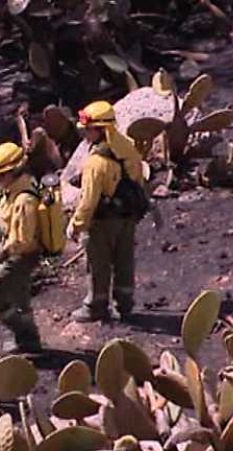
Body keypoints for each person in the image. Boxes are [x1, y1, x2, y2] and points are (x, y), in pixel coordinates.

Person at [66, 100, 144, 323]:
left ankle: (96, 306)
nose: (85, 133)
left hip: (102, 222)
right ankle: (125, 304)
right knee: (124, 260)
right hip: (128, 216)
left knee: (98, 265)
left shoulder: (96, 163)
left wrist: (77, 224)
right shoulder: (128, 147)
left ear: (101, 129)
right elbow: (138, 178)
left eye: (88, 129)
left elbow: (88, 201)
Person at [0, 142, 43, 353]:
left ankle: (24, 335)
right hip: (19, 255)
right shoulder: (14, 192)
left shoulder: (24, 199)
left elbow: (22, 240)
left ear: (13, 171)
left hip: (20, 257)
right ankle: (29, 342)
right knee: (20, 299)